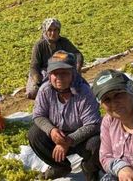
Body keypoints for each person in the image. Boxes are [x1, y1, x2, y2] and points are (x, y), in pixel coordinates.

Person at [28, 51, 102, 180]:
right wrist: (51, 130)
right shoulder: (45, 90)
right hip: (57, 134)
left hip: (82, 138)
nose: (59, 77)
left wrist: (67, 141)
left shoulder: (83, 91)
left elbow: (93, 124)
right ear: (50, 75)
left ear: (72, 73)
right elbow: (38, 115)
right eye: (55, 73)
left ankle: (90, 168)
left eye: (64, 73)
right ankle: (60, 167)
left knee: (97, 142)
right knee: (35, 134)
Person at [26, 18, 85, 99]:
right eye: (50, 30)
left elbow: (77, 55)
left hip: (62, 69)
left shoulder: (63, 42)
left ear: (59, 31)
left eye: (55, 30)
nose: (53, 33)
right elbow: (34, 66)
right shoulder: (39, 45)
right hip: (45, 72)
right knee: (34, 93)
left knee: (81, 88)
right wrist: (38, 81)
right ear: (45, 31)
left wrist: (77, 68)